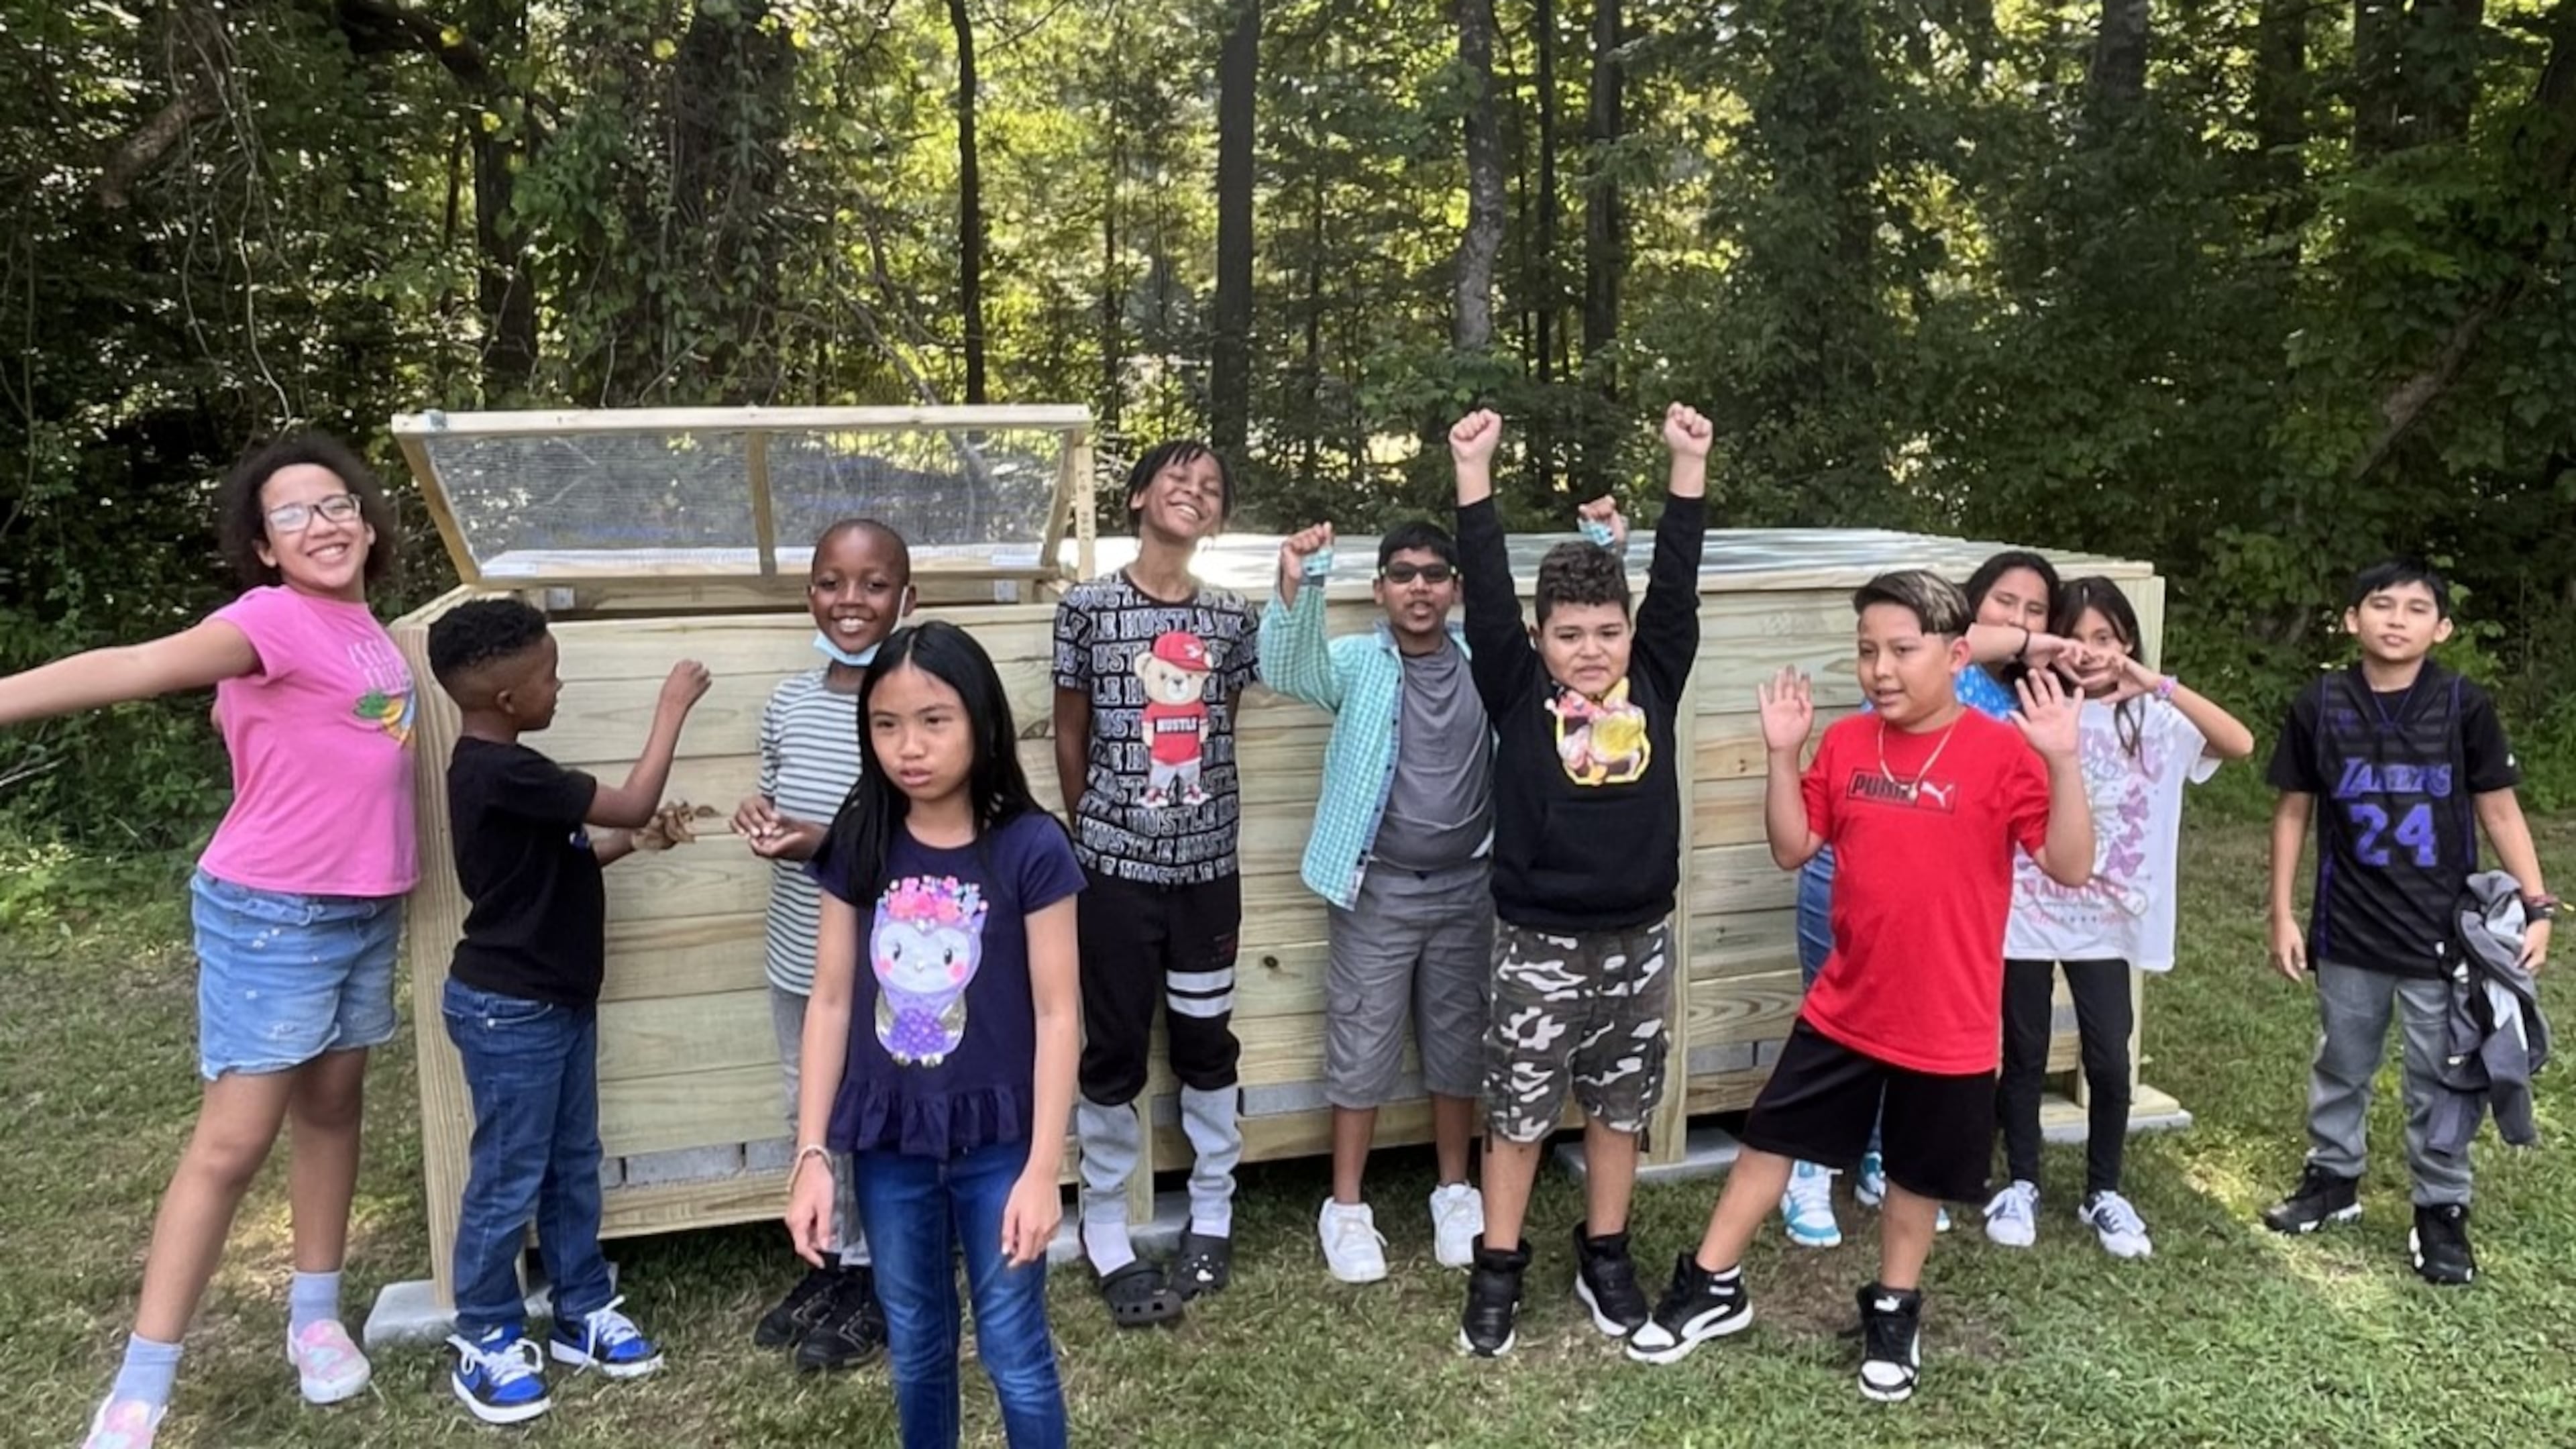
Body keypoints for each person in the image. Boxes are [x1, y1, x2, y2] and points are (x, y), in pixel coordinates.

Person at [0, 437, 411, 1449]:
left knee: (332, 1109)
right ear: (263, 548)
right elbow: (138, 667)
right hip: (275, 913)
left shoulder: (373, 631)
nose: (324, 523)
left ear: (366, 519)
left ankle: (314, 1319)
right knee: (232, 1144)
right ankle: (142, 1385)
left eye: (338, 503)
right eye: (294, 515)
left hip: (365, 909)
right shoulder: (269, 619)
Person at [1627, 570, 2094, 1403]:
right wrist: (1782, 754)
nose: (1880, 668)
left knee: (1915, 1175)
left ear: (1956, 657)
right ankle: (1711, 1285)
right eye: (1867, 650)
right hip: (1845, 1006)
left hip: (1947, 1021)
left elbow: (2071, 864)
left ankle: (1894, 1307)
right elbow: (1792, 845)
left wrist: (2062, 763)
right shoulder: (1847, 745)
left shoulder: (2001, 753)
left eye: (1902, 651)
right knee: (1769, 1140)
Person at [1446, 403, 1712, 1358]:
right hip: (1538, 944)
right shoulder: (1513, 686)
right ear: (1537, 636)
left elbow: (1676, 581)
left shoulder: (1658, 673)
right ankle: (1499, 1266)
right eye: (1569, 634)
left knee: (1620, 1108)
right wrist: (1473, 476)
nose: (1591, 650)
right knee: (1516, 1114)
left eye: (1607, 631)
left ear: (1631, 633)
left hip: (1640, 939)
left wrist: (1688, 466)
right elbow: (1480, 588)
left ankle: (1607, 1255)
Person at [788, 621, 1083, 1449]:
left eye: (934, 720)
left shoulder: (1032, 847)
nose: (908, 746)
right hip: (889, 1142)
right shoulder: (860, 841)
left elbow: (1061, 1015)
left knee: (1013, 1347)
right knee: (916, 1343)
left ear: (981, 723)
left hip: (1001, 1144)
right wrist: (813, 1155)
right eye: (886, 724)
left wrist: (1041, 1173)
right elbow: (833, 999)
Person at [425, 598, 707, 1423]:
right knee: (510, 1177)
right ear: (508, 700)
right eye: (548, 675)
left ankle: (581, 1308)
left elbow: (577, 850)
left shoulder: (508, 775)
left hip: (553, 1003)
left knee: (572, 1158)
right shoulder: (500, 769)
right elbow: (622, 800)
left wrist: (639, 842)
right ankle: (483, 1330)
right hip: (509, 1010)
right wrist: (672, 708)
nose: (560, 685)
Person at [1779, 549, 2088, 1247]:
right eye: (2005, 601)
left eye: (2036, 608)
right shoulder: (1923, 653)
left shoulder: (2017, 706)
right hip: (1849, 864)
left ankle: (1887, 1162)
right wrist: (2040, 639)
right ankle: (1810, 1169)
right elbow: (1967, 637)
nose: (2019, 618)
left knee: (1911, 1038)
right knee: (1833, 1039)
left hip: (1937, 893)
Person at [2261, 557, 2552, 1285]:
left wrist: (2536, 904)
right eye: (2381, 605)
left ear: (2442, 627)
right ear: (2351, 620)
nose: (2397, 619)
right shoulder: (2320, 704)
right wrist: (2280, 912)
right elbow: (2294, 810)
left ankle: (2441, 1208)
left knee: (2442, 1074)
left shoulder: (2462, 704)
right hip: (2349, 925)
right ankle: (2333, 1179)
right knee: (2342, 1062)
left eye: (2416, 608)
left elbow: (2499, 808)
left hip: (2442, 931)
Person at [1985, 576, 2255, 1257]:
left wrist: (2154, 682)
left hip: (2106, 919)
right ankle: (2021, 1182)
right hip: (2024, 908)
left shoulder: (2156, 721)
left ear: (2127, 642)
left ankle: (2104, 1189)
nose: (2087, 652)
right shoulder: (2028, 709)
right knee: (2021, 1051)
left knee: (2109, 1058)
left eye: (2103, 638)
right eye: (2072, 637)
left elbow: (2240, 743)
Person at [1053, 441, 1260, 1326]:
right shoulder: (1084, 609)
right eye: (1177, 477)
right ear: (1138, 495)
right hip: (1112, 873)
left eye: (1210, 487)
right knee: (1111, 1047)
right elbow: (1070, 732)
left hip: (1210, 874)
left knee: (1206, 1042)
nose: (1194, 491)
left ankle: (1211, 1207)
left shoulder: (1233, 619)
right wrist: (1089, 836)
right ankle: (1106, 1220)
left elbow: (1222, 727)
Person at [1259, 519, 1492, 1283]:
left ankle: (1456, 1192)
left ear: (1456, 588)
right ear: (1380, 589)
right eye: (1402, 574)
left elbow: (1577, 649)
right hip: (1376, 888)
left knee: (1458, 1042)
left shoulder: (1486, 665)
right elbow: (1288, 669)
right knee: (1363, 1041)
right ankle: (1347, 1206)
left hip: (1470, 887)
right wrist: (1303, 577)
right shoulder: (1359, 662)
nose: (1418, 586)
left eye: (1433, 573)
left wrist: (1607, 554)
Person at [733, 519, 915, 1370]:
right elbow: (779, 797)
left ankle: (883, 1282)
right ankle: (833, 1260)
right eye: (833, 582)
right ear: (810, 594)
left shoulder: (906, 715)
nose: (851, 600)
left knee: (874, 1121)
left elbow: (918, 849)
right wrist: (760, 820)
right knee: (808, 1110)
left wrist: (816, 845)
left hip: (886, 972)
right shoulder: (789, 702)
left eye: (873, 584)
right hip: (796, 957)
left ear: (906, 599)